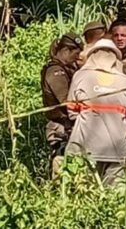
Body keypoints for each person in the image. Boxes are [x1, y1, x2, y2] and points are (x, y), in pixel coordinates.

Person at [65, 38, 126, 187]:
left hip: (85, 147)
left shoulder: (81, 76)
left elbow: (71, 110)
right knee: (116, 198)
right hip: (117, 149)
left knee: (84, 193)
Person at [40, 32, 82, 177]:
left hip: (67, 126)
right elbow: (66, 101)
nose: (77, 59)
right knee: (61, 163)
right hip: (60, 127)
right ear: (65, 51)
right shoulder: (55, 72)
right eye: (75, 54)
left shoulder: (67, 69)